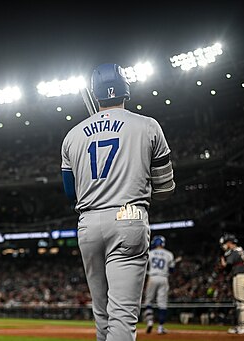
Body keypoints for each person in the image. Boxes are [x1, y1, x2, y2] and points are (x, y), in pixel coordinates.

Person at [61, 63, 175, 341]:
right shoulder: (148, 126)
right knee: (122, 316)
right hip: (129, 216)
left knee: (102, 315)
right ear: (126, 89)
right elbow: (165, 189)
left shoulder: (72, 136)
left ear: (95, 95)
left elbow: (69, 192)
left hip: (88, 223)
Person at [142, 235, 178, 335]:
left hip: (152, 277)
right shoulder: (169, 254)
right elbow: (171, 270)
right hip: (163, 278)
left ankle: (149, 321)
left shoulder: (151, 253)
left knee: (148, 301)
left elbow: (144, 265)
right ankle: (160, 328)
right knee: (162, 304)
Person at [219, 233, 244, 334]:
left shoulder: (234, 252)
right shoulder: (241, 250)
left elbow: (227, 266)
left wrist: (222, 259)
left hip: (240, 277)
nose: (224, 245)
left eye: (225, 243)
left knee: (240, 304)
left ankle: (241, 327)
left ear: (229, 243)